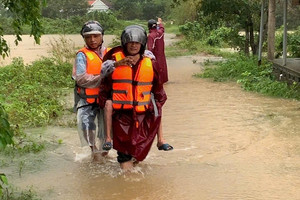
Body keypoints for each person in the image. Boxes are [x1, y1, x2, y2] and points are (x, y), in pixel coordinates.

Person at [99, 25, 167, 170]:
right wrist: (117, 65)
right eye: (130, 42)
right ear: (124, 43)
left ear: (142, 44)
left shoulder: (150, 62)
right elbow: (103, 79)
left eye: (137, 43)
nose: (133, 45)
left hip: (143, 117)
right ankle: (127, 181)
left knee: (138, 154)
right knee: (124, 155)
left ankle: (160, 140)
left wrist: (153, 104)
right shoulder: (113, 60)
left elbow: (159, 90)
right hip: (121, 117)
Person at [73, 20, 113, 160]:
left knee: (106, 130)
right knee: (87, 127)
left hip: (105, 99)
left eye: (96, 36)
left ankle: (104, 153)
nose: (92, 40)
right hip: (87, 99)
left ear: (102, 36)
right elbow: (81, 78)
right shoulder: (81, 55)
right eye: (88, 37)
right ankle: (93, 152)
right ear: (84, 38)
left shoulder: (109, 53)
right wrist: (101, 77)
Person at [147, 18, 173, 151]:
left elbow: (149, 49)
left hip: (153, 62)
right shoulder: (160, 32)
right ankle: (160, 139)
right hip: (160, 59)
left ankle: (159, 139)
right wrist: (161, 22)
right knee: (161, 78)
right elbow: (162, 28)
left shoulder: (151, 36)